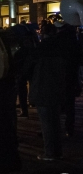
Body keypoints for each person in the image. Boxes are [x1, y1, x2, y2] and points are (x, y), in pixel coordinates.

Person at [24, 23, 66, 161]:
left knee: (46, 124)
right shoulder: (60, 48)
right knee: (56, 122)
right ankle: (58, 151)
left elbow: (28, 69)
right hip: (57, 89)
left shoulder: (39, 50)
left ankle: (49, 153)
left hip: (43, 89)